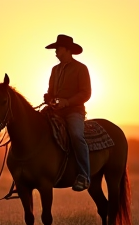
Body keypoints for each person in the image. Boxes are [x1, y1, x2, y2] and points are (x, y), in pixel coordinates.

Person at [44, 34, 91, 191]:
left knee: (76, 135)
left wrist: (67, 102)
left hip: (74, 111)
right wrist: (49, 98)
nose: (56, 52)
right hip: (55, 111)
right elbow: (51, 91)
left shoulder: (81, 69)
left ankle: (84, 175)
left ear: (67, 50)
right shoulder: (55, 70)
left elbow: (86, 93)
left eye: (58, 49)